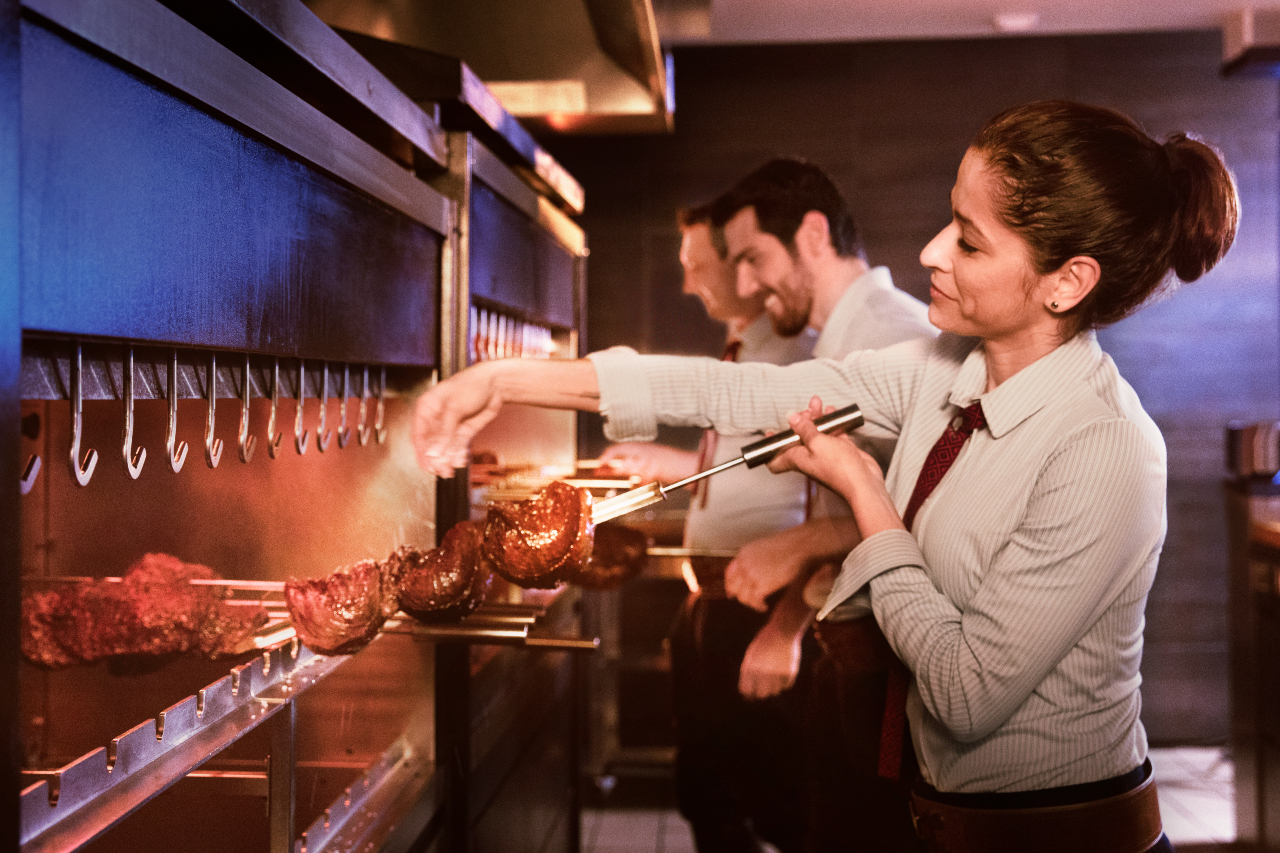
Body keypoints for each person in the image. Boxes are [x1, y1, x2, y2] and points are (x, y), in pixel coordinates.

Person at [413, 100, 1239, 851]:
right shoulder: (941, 368)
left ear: (1069, 281)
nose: (929, 253)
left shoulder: (1107, 446)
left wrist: (863, 490)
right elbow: (740, 390)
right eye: (948, 222)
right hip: (936, 820)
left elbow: (966, 690)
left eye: (968, 239)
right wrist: (508, 381)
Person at [599, 201, 819, 853]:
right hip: (720, 604)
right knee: (709, 797)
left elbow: (829, 506)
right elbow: (745, 467)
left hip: (766, 608)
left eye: (698, 266)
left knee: (774, 808)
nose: (690, 282)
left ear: (741, 265)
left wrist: (787, 629)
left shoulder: (794, 352)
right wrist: (667, 462)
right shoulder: (745, 346)